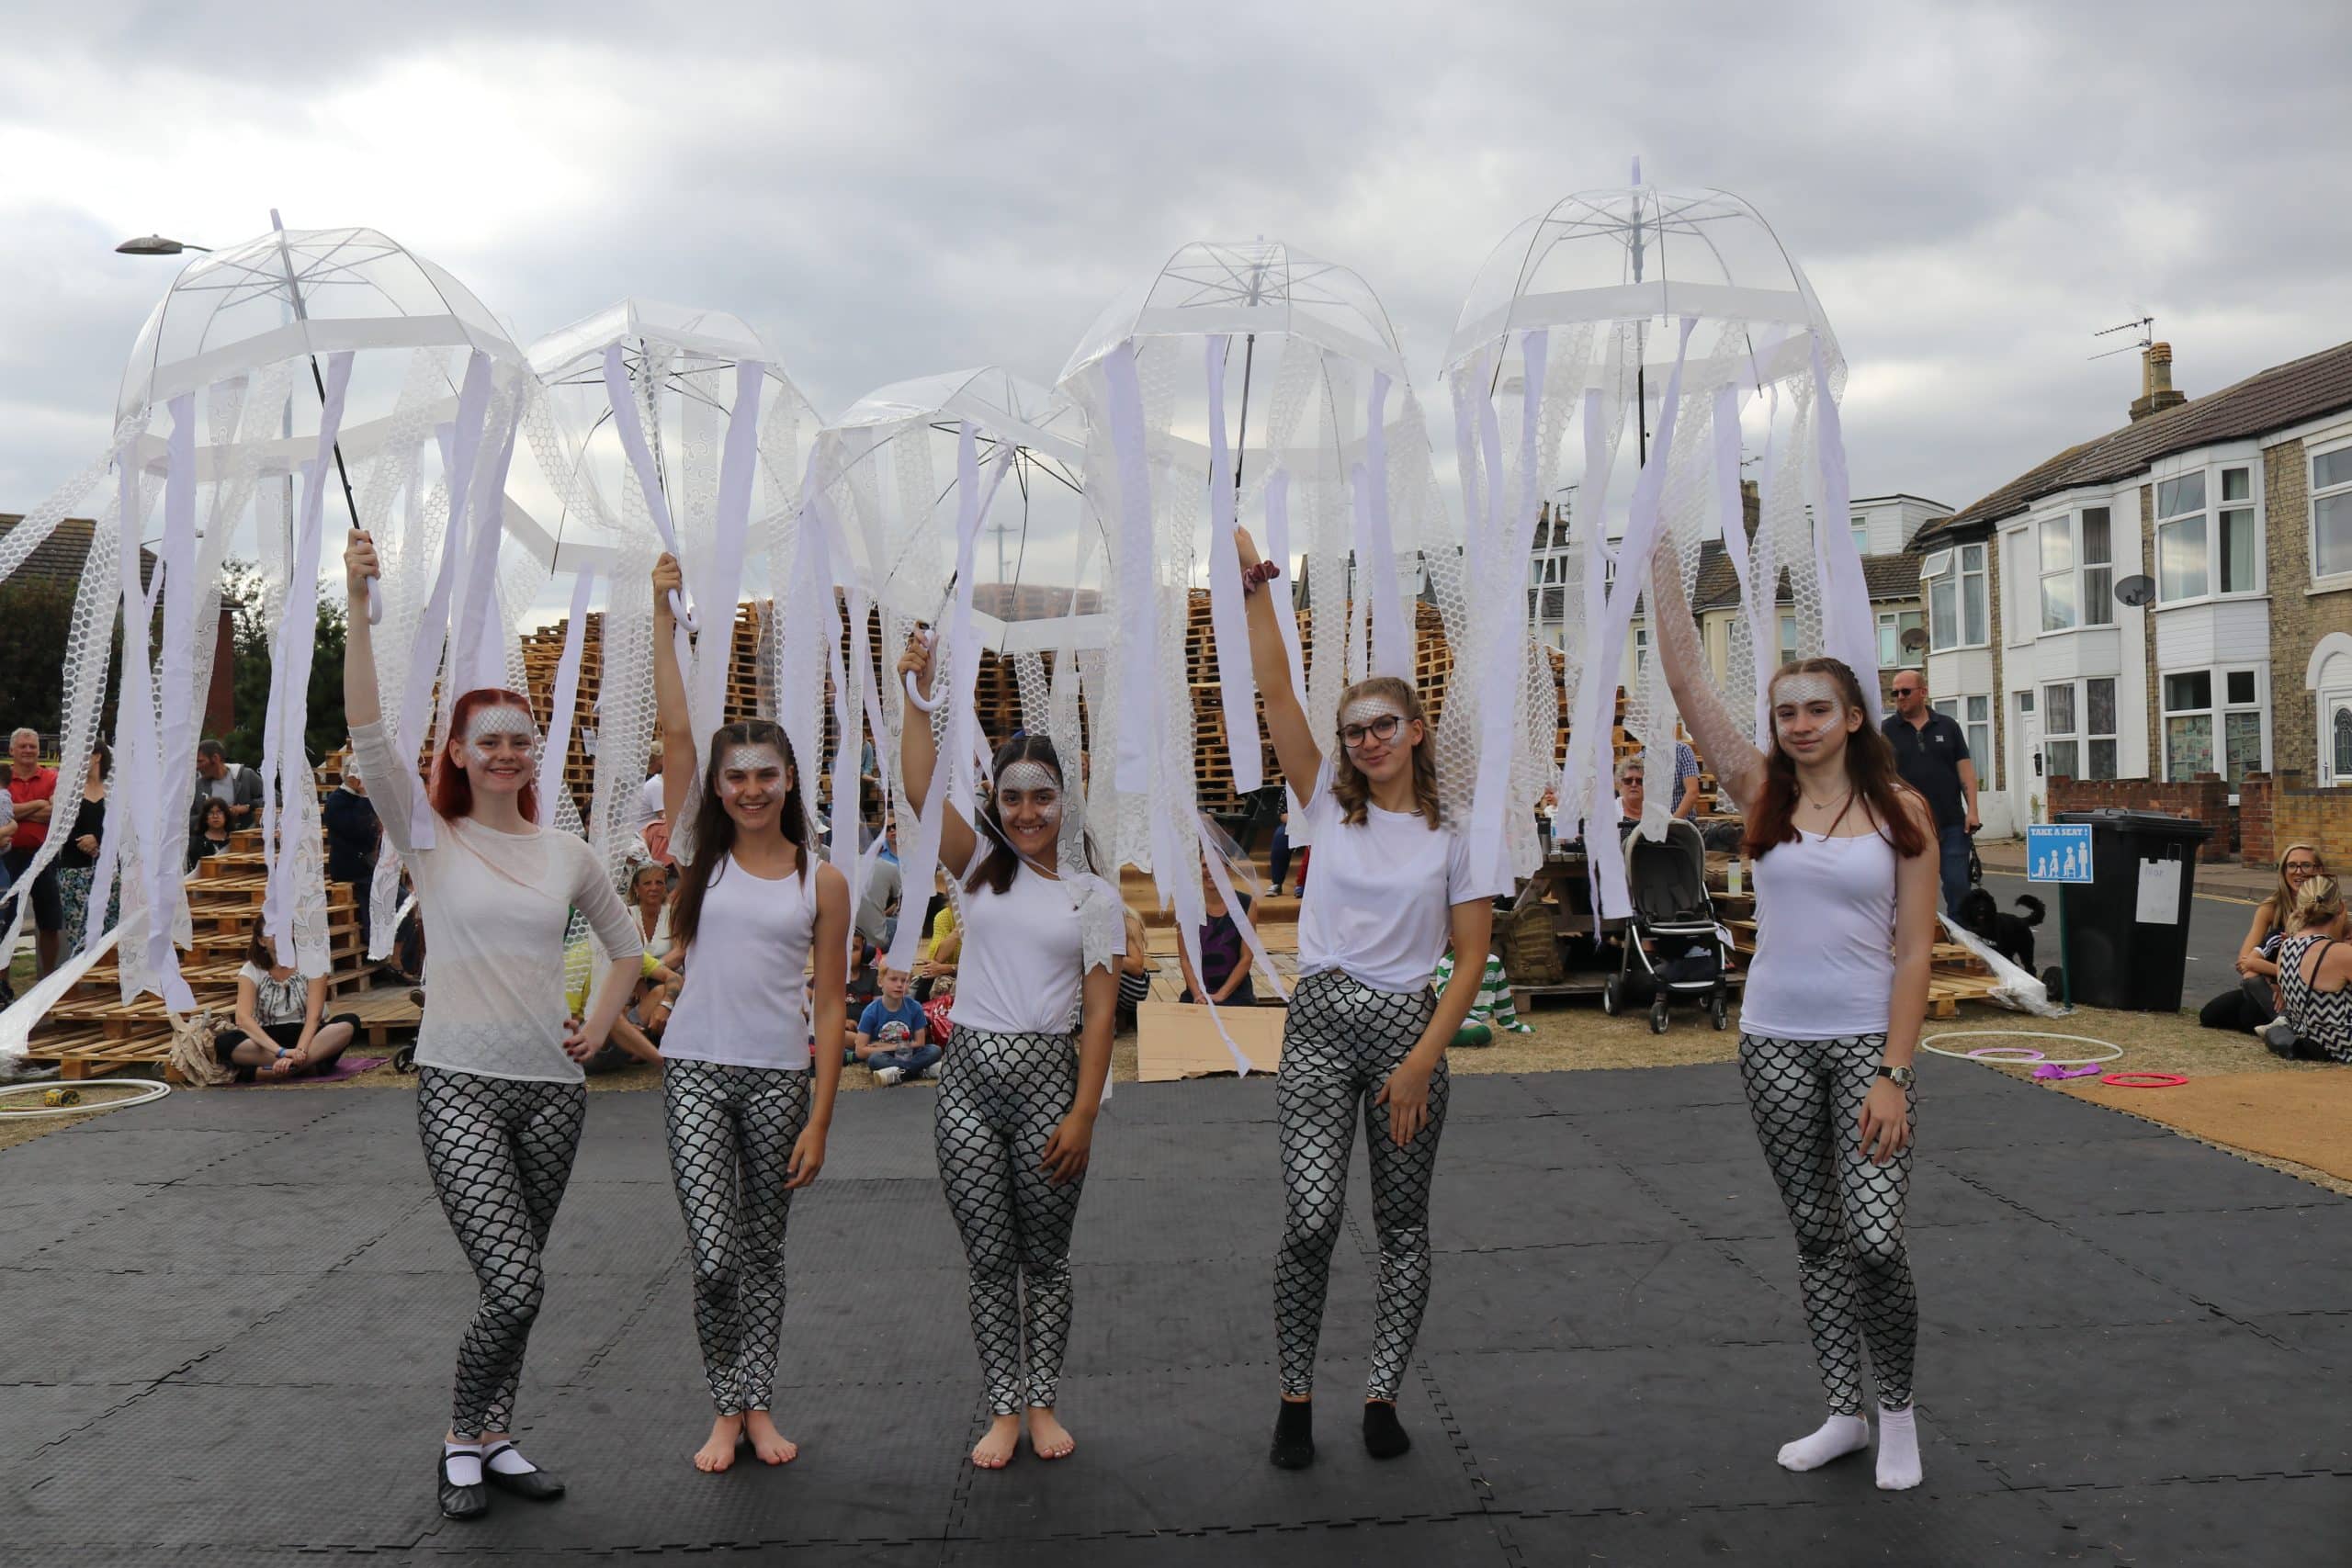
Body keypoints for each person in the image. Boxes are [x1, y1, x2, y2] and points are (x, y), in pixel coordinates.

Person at [343, 530, 643, 1524]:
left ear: (534, 752)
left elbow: (627, 947)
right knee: (513, 1286)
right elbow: (368, 730)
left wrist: (598, 1028)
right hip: (460, 1082)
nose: (508, 752)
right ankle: (457, 1442)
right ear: (461, 756)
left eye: (522, 738)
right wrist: (356, 600)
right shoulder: (431, 836)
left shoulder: (567, 854)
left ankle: (493, 1437)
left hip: (551, 1090)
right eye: (490, 740)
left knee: (523, 1279)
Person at [1652, 536, 1937, 1493]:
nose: (1801, 723)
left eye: (1818, 708)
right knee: (1816, 1235)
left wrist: (1895, 1074)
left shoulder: (1900, 809)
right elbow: (1689, 682)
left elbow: (1912, 954)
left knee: (1875, 1237)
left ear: (1854, 716)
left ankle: (1896, 1414)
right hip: (1772, 1039)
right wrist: (1657, 551)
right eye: (1786, 712)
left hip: (1866, 1044)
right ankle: (1841, 1413)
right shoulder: (1759, 792)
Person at [1236, 526, 1505, 1472]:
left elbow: (1468, 960)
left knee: (1401, 1226)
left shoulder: (1456, 833)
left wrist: (1421, 1062)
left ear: (1415, 730)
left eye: (1383, 725)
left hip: (1407, 1030)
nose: (1367, 741)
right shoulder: (1323, 808)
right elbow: (1274, 693)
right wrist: (1253, 590)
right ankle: (1294, 1398)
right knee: (1309, 1219)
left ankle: (1383, 1393)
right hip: (1318, 1022)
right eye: (1355, 731)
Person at [898, 630, 1122, 1471]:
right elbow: (922, 789)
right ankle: (1001, 1404)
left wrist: (1084, 1112)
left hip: (1048, 1081)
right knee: (989, 1257)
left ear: (1067, 799)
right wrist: (919, 693)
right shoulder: (981, 865)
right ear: (996, 798)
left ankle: (1041, 1401)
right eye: (1013, 795)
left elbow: (1101, 1016)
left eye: (1044, 795)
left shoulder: (1094, 895)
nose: (1028, 810)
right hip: (967, 1080)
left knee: (1046, 1257)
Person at [651, 554, 850, 1473]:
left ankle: (754, 1406)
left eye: (765, 776)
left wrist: (820, 1116)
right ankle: (723, 1406)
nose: (749, 790)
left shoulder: (825, 879)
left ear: (788, 781)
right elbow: (675, 730)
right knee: (712, 1255)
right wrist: (662, 613)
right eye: (736, 778)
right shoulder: (705, 858)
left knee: (763, 1253)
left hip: (779, 1077)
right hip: (693, 1069)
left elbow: (833, 1000)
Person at [212, 920, 362, 1081]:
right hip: (268, 1041)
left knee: (348, 1022)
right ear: (262, 941)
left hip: (309, 1037)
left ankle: (274, 1070)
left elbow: (314, 1016)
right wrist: (282, 1052)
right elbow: (243, 1019)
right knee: (224, 1042)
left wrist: (300, 1051)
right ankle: (307, 1067)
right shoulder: (250, 970)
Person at [1881, 671, 1978, 917]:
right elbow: (1879, 777)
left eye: (1905, 691)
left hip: (1951, 824)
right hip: (1907, 825)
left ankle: (1961, 946)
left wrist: (1973, 811)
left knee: (1958, 887)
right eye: (1895, 693)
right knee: (1910, 891)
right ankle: (1912, 947)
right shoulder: (1886, 731)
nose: (1899, 697)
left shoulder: (1948, 726)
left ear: (1923, 692)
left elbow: (1965, 771)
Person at [2201, 843, 2324, 1033]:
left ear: (2319, 870)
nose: (2298, 872)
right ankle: (2280, 1020)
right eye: (2291, 866)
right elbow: (2244, 962)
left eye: (2306, 865)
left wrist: (2289, 985)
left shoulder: (2330, 908)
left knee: (2249, 1015)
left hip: (2310, 990)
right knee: (2211, 1015)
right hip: (2269, 985)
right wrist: (2276, 983)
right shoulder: (2271, 908)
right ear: (2283, 871)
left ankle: (2290, 1027)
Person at [2270, 876, 2352, 1064]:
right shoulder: (2338, 953)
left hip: (2311, 1040)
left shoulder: (2287, 946)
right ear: (2340, 907)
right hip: (2342, 1046)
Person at [5, 728, 62, 976]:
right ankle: (2, 985)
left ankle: (46, 978)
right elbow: (2, 814)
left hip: (44, 856)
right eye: (23, 746)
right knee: (5, 922)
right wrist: (40, 804)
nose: (28, 750)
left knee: (50, 922)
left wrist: (16, 809)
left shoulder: (52, 777)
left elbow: (56, 812)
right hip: (9, 858)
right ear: (11, 750)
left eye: (33, 746)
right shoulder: (3, 777)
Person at [52, 740, 114, 957]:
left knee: (109, 929)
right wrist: (81, 841)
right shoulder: (69, 791)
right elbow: (57, 828)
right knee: (78, 930)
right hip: (73, 870)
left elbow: (126, 827)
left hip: (109, 872)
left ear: (97, 757)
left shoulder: (114, 791)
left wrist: (99, 839)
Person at [1176, 856, 1257, 1007]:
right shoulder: (1187, 905)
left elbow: (1246, 958)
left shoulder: (1246, 904)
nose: (1210, 871)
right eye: (1205, 865)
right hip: (1197, 991)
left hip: (1236, 993)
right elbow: (1185, 959)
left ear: (1227, 869)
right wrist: (1197, 995)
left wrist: (1221, 995)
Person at [856, 967, 941, 1084]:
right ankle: (920, 1070)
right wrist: (891, 1048)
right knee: (874, 1059)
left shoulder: (915, 1007)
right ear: (880, 982)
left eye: (904, 980)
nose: (900, 985)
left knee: (934, 1050)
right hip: (885, 1055)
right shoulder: (870, 1012)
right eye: (893, 979)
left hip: (910, 1053)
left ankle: (899, 1073)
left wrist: (891, 1046)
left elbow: (920, 1043)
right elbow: (860, 1051)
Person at [322, 754, 381, 888]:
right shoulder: (336, 801)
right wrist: (364, 794)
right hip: (351, 868)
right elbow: (358, 829)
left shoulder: (364, 799)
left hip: (370, 865)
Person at [188, 739, 263, 832]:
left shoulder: (245, 776)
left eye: (200, 761)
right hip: (210, 844)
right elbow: (186, 821)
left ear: (215, 758)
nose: (197, 766)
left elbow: (275, 799)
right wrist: (208, 817)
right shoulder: (197, 786)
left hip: (243, 841)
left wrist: (248, 807)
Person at [1115, 906, 1154, 1032]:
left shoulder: (1128, 921)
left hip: (1131, 983)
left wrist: (1106, 953)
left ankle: (1114, 1018)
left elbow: (1137, 967)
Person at [186, 797, 234, 872]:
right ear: (205, 817)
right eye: (211, 813)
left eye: (219, 812)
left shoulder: (235, 840)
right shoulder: (196, 842)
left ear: (226, 815)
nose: (215, 816)